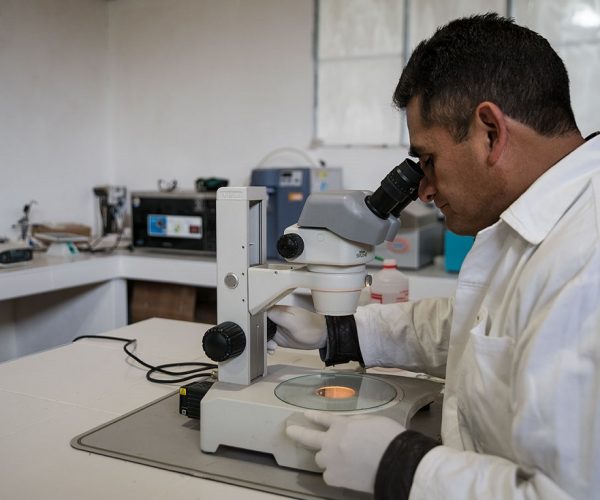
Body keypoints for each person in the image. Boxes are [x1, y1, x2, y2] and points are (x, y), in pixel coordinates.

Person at [267, 13, 600, 500]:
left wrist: (405, 467)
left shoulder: (586, 261)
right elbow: (473, 326)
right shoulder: (539, 221)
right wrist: (339, 332)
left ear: (491, 132)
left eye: (428, 160)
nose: (422, 190)